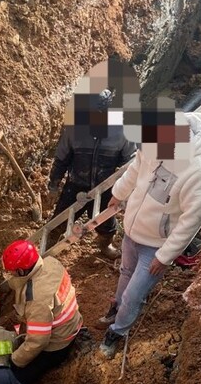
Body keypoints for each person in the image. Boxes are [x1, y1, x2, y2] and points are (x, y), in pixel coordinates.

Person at [99, 110, 201, 357]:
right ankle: (116, 308)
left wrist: (165, 256)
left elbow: (192, 219)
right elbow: (136, 166)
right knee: (125, 273)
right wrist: (119, 193)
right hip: (133, 232)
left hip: (156, 244)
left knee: (134, 295)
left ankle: (117, 331)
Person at [48, 89, 136, 258]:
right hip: (75, 186)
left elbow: (130, 163)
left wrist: (126, 190)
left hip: (105, 188)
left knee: (107, 226)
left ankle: (105, 246)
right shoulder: (75, 130)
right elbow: (61, 159)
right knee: (58, 221)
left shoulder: (122, 131)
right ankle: (49, 248)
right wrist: (54, 184)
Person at [1, 239, 84, 384]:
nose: (9, 273)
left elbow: (38, 342)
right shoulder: (50, 262)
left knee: (18, 378)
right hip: (71, 321)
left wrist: (14, 360)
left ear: (21, 271)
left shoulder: (36, 299)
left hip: (58, 342)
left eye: (11, 271)